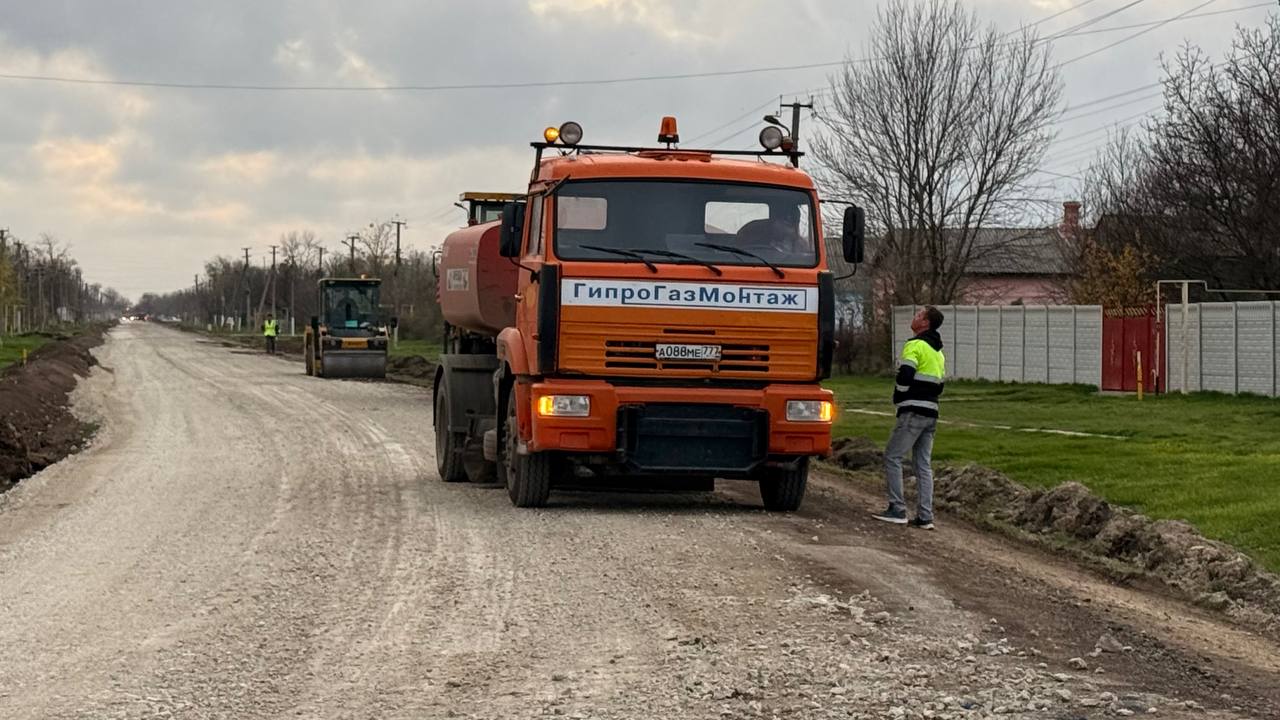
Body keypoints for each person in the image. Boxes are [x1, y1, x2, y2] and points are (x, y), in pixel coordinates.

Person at [873, 306, 946, 530]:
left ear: (925, 323)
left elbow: (905, 375)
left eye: (919, 315)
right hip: (931, 413)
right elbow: (940, 385)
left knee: (892, 456)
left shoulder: (914, 345)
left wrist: (899, 394)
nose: (914, 317)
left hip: (912, 411)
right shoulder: (938, 352)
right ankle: (925, 516)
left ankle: (897, 509)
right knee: (923, 465)